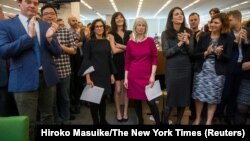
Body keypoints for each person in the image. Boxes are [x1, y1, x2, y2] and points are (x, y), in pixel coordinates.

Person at [0, 0, 61, 140]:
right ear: (19, 3)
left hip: (47, 77)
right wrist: (28, 38)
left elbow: (57, 52)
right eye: (28, 2)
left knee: (48, 116)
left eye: (35, 3)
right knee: (28, 122)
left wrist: (50, 39)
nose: (33, 5)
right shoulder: (6, 24)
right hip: (23, 79)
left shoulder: (46, 25)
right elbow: (3, 51)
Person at [192, 13, 233, 125]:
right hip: (202, 71)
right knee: (199, 96)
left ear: (222, 24)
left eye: (216, 22)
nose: (213, 24)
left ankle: (209, 121)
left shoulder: (228, 38)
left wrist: (219, 54)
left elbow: (228, 57)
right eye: (212, 22)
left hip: (217, 73)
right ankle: (198, 118)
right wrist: (206, 52)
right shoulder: (204, 36)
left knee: (213, 97)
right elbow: (195, 54)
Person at [41, 5, 77, 123]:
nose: (49, 15)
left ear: (56, 16)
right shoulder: (39, 31)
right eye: (46, 14)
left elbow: (74, 50)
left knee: (64, 98)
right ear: (42, 17)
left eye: (52, 13)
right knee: (50, 101)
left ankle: (66, 119)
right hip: (47, 72)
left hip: (63, 71)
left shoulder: (65, 31)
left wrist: (60, 46)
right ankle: (55, 121)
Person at [78, 18, 116, 125]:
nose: (99, 28)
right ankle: (96, 122)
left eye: (101, 26)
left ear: (104, 28)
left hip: (105, 74)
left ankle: (103, 120)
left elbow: (109, 59)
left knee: (103, 99)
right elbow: (86, 60)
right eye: (97, 26)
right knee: (94, 101)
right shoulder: (89, 43)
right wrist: (88, 78)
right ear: (93, 29)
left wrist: (112, 74)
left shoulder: (106, 42)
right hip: (94, 75)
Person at [124, 17, 160, 125]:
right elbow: (127, 62)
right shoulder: (130, 43)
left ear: (146, 27)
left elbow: (154, 58)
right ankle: (140, 121)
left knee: (151, 101)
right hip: (133, 76)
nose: (140, 27)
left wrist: (152, 75)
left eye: (143, 25)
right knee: (136, 101)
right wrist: (126, 78)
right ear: (135, 27)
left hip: (147, 76)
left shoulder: (150, 41)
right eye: (138, 25)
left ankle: (158, 123)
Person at [161, 7, 193, 125]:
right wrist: (180, 44)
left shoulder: (189, 32)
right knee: (171, 96)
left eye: (182, 14)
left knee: (183, 97)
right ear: (171, 18)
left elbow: (192, 53)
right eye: (177, 14)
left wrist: (188, 42)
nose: (180, 16)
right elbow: (166, 53)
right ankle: (164, 122)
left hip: (185, 68)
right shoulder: (165, 33)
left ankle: (178, 122)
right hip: (172, 68)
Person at [109, 12, 132, 122]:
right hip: (117, 63)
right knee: (118, 90)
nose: (119, 19)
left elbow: (133, 49)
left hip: (129, 64)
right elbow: (113, 50)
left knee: (127, 89)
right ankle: (118, 111)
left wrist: (121, 46)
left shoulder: (130, 33)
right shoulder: (111, 33)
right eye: (116, 18)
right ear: (114, 20)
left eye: (121, 17)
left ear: (124, 19)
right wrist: (127, 47)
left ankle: (126, 112)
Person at [188, 12, 201, 121]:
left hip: (197, 66)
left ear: (199, 20)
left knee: (195, 89)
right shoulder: (186, 33)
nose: (193, 21)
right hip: (186, 66)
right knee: (187, 89)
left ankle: (194, 113)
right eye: (191, 20)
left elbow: (201, 52)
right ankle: (188, 111)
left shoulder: (203, 35)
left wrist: (197, 40)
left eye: (195, 19)